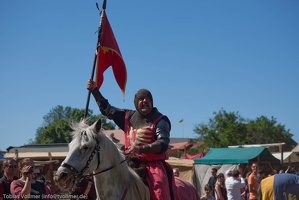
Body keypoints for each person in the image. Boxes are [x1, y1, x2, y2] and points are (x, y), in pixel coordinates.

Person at [87, 80, 176, 200]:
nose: (144, 101)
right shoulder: (128, 117)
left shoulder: (160, 120)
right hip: (129, 163)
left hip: (153, 166)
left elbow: (163, 143)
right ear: (136, 102)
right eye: (141, 99)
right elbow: (107, 109)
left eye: (147, 99)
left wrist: (140, 149)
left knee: (160, 191)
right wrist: (95, 91)